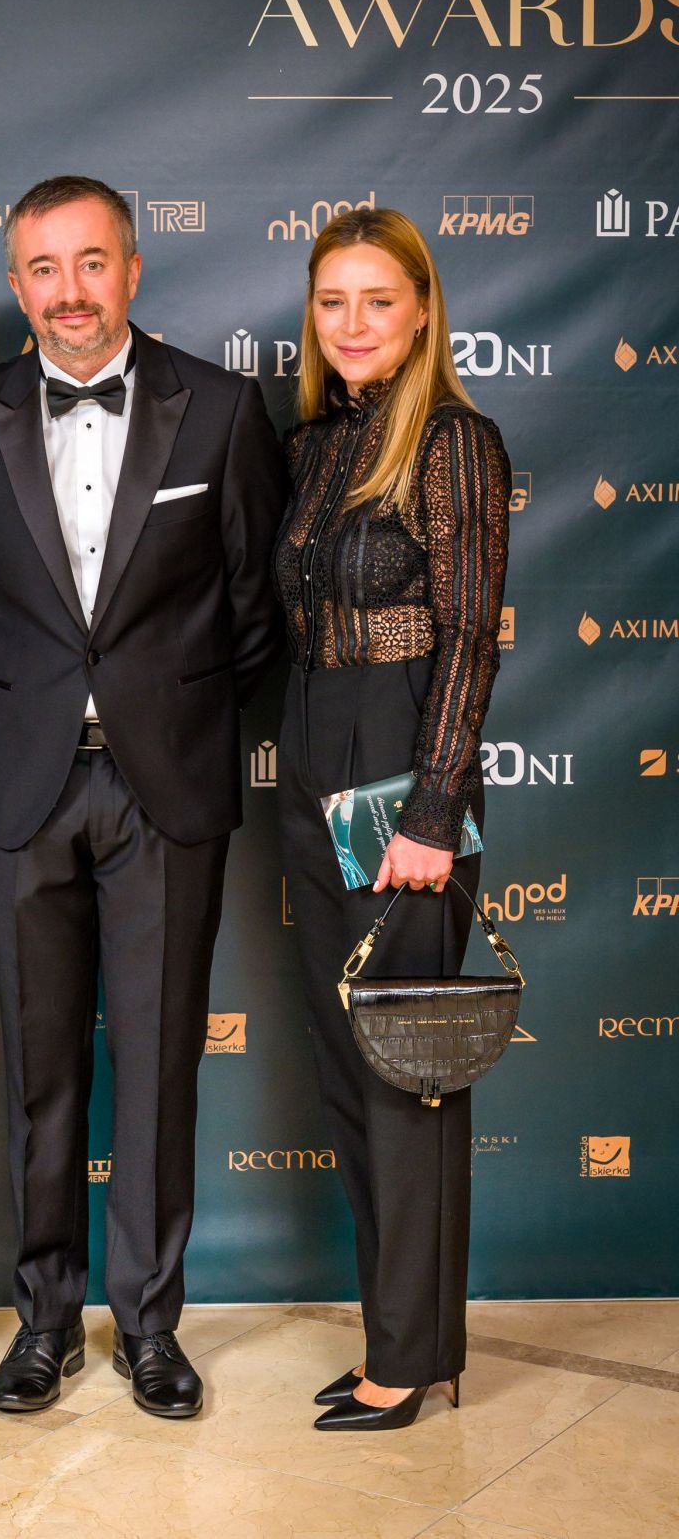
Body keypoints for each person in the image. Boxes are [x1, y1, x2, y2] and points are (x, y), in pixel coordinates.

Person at [0, 175, 285, 1418]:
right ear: (17, 285)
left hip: (167, 783)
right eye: (43, 268)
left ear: (132, 268)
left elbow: (254, 610)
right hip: (29, 781)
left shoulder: (221, 409)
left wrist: (158, 704)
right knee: (39, 1068)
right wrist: (42, 694)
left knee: (163, 1061)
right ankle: (43, 1319)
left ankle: (150, 1325)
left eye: (90, 262)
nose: (68, 291)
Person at [271, 206, 510, 1432]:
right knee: (352, 1058)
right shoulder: (319, 443)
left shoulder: (455, 439)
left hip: (404, 758)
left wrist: (431, 806)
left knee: (408, 1066)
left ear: (422, 309)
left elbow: (469, 636)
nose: (353, 322)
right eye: (332, 301)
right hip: (315, 747)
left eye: (378, 298)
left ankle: (410, 1358)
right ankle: (398, 1333)